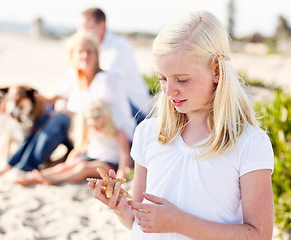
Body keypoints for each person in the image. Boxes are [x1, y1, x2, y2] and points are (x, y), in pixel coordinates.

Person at [88, 11, 274, 239]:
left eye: (182, 80)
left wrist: (180, 223)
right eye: (162, 78)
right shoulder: (149, 133)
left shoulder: (248, 143)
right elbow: (140, 222)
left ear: (216, 71)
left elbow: (260, 234)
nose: (169, 90)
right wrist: (120, 208)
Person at [0, 33, 134, 179]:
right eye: (81, 52)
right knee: (48, 117)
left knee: (58, 118)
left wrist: (65, 112)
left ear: (97, 56)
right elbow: (48, 99)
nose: (85, 56)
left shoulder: (104, 81)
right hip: (88, 135)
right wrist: (12, 100)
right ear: (73, 55)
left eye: (89, 52)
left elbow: (97, 116)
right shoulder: (76, 78)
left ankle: (24, 166)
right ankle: (14, 163)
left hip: (112, 140)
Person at [54, 8, 151, 125]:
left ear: (102, 26)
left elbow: (102, 84)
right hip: (105, 102)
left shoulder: (119, 46)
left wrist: (67, 103)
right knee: (50, 113)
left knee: (62, 118)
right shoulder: (87, 48)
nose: (81, 32)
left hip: (134, 109)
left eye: (86, 27)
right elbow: (71, 80)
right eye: (79, 27)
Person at [15, 99, 126, 186]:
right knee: (66, 166)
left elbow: (124, 156)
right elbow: (80, 149)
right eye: (94, 126)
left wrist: (121, 172)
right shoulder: (92, 130)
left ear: (107, 120)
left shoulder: (117, 132)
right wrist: (70, 160)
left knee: (83, 168)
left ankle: (56, 179)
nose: (97, 129)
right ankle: (35, 177)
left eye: (100, 126)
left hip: (109, 164)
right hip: (91, 157)